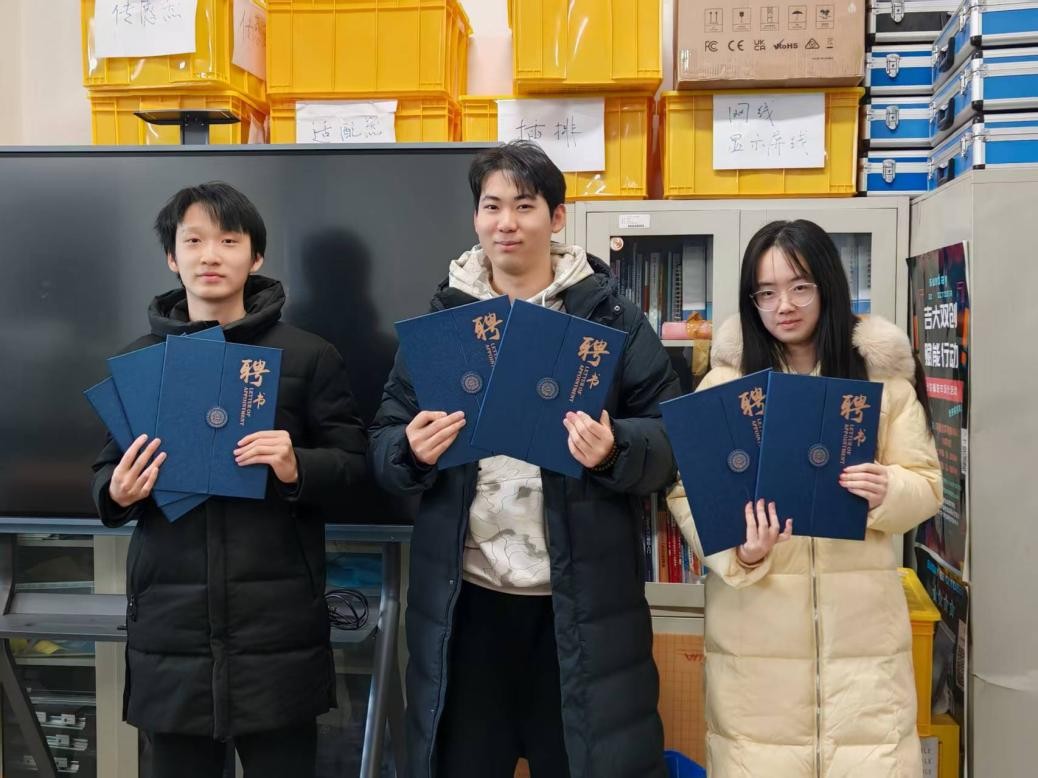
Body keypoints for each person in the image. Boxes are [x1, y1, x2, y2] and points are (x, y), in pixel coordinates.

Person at [369, 141, 680, 778]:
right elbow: (383, 441)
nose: (506, 222)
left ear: (556, 217)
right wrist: (410, 450)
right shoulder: (442, 322)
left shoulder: (611, 320)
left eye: (524, 205)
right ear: (476, 217)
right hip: (465, 607)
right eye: (491, 206)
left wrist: (615, 448)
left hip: (579, 610)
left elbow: (671, 440)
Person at [91, 182, 368, 778]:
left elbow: (355, 466)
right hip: (171, 635)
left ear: (255, 256)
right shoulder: (141, 361)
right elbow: (106, 472)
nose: (210, 255)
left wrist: (297, 465)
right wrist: (117, 491)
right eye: (193, 241)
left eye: (228, 240)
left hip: (277, 634)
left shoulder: (308, 356)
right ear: (172, 257)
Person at [668, 219, 942, 778]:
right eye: (766, 293)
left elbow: (927, 484)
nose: (784, 306)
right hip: (756, 652)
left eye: (800, 287)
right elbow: (686, 490)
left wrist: (888, 489)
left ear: (828, 287)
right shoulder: (725, 387)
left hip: (862, 650)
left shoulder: (880, 383)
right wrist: (739, 553)